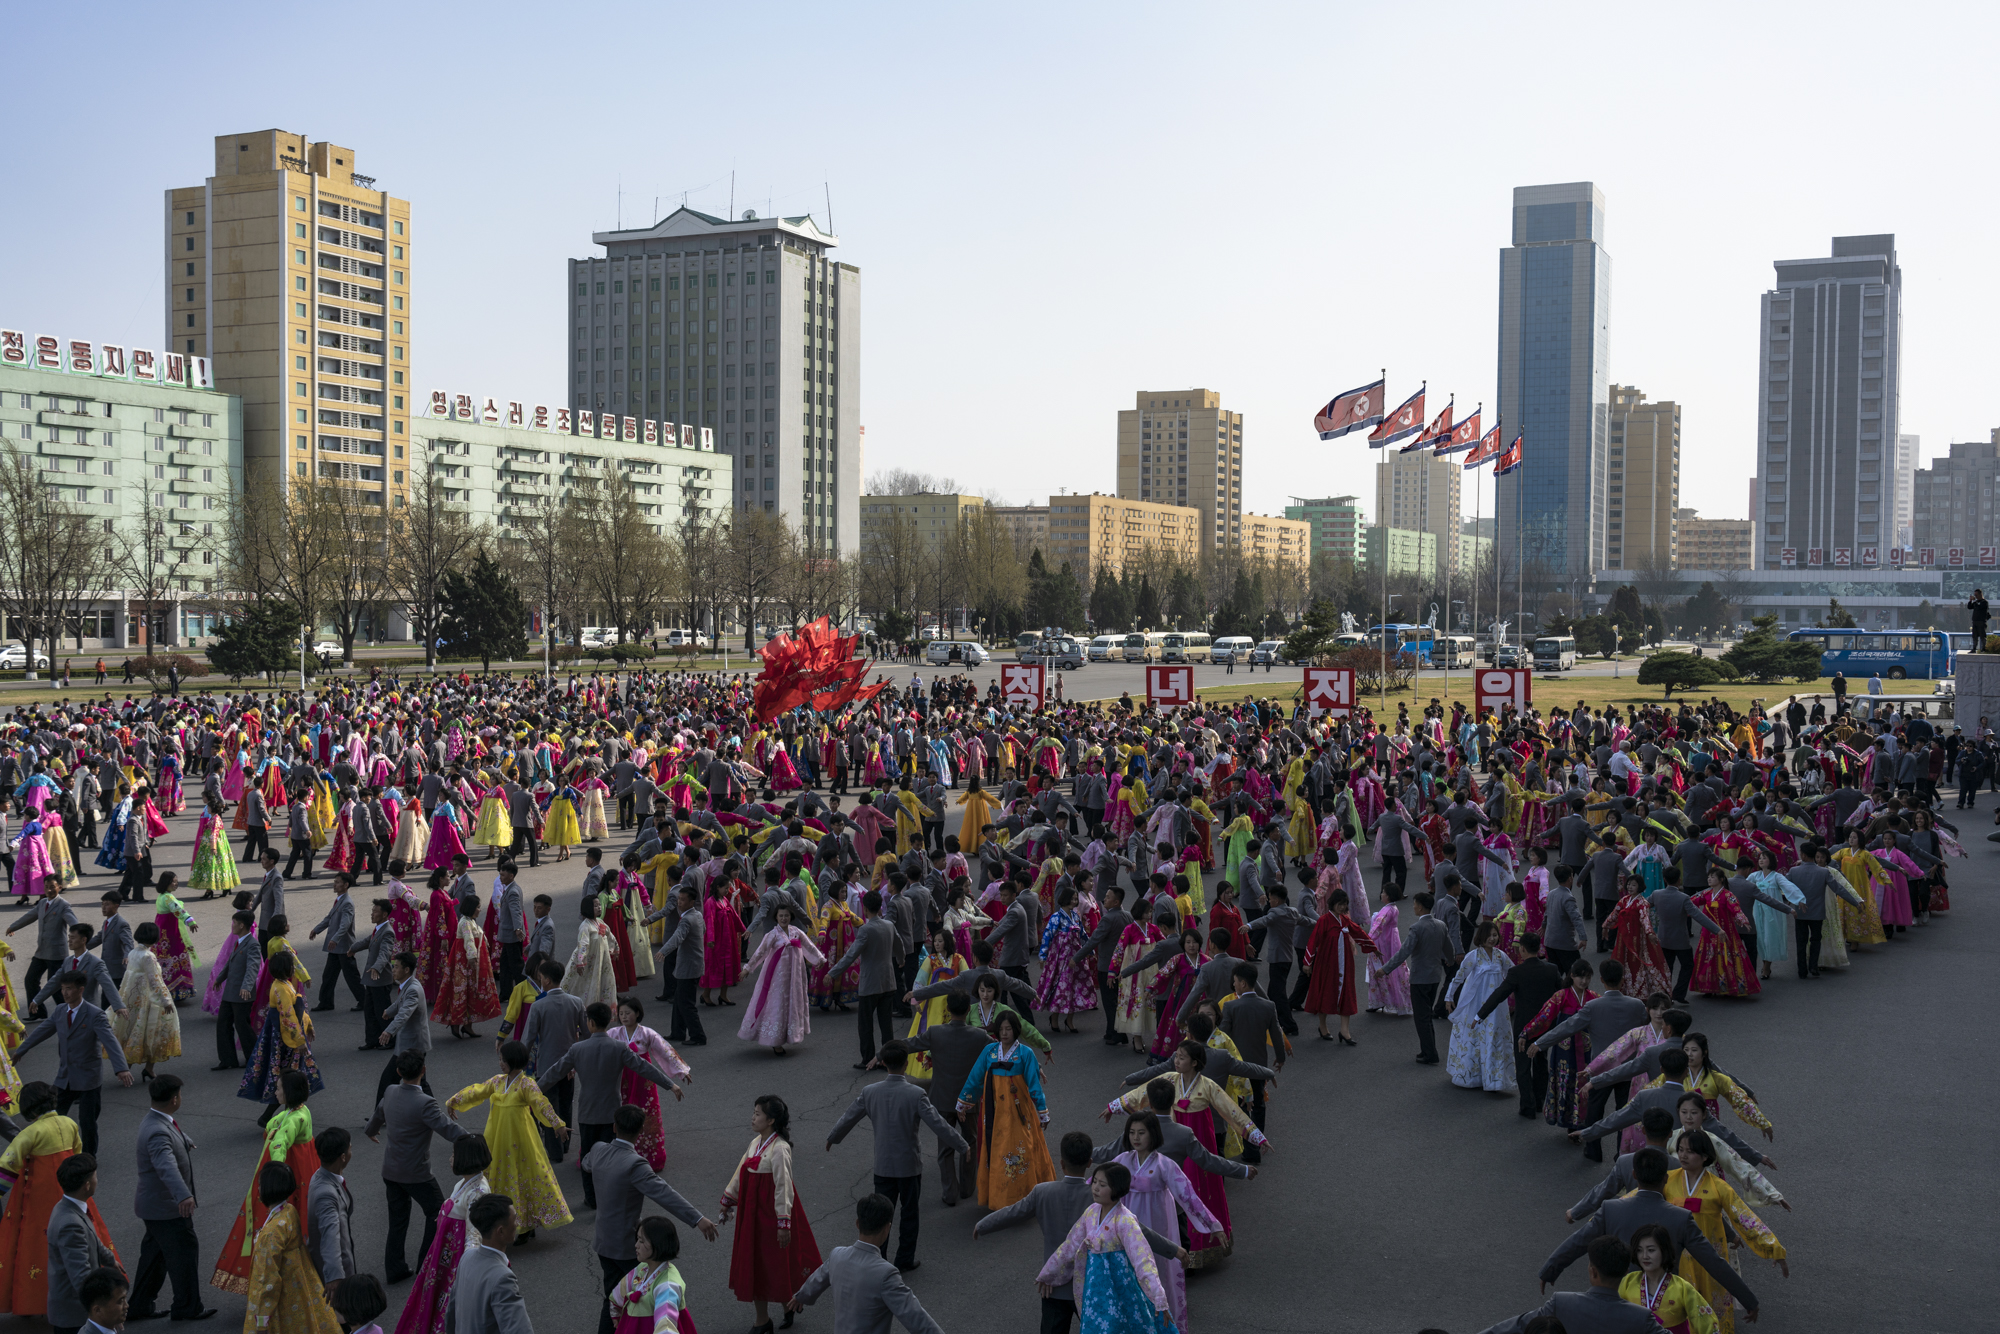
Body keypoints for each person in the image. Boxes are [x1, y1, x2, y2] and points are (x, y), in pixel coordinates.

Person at [972, 1131, 1181, 1334]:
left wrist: (983, 1225)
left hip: (1054, 1284)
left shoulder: (1043, 1192)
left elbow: (1012, 1213)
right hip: (1095, 1288)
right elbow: (1141, 1235)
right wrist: (1174, 1250)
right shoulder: (1101, 1202)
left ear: (1061, 1162)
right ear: (1090, 1162)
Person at [826, 1040, 969, 1273]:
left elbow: (850, 1116)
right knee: (910, 1214)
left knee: (882, 1215)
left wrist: (833, 1137)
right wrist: (962, 1145)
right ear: (906, 1063)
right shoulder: (916, 1094)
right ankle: (905, 1258)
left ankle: (878, 1259)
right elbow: (939, 1125)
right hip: (909, 1166)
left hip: (883, 1166)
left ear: (883, 1062)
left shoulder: (870, 1092)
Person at [582, 1105, 716, 1334]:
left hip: (603, 1241)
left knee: (613, 1296)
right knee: (637, 1300)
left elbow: (586, 1163)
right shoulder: (635, 1164)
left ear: (614, 1127)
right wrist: (697, 1218)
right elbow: (665, 1194)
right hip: (628, 1246)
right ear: (641, 1131)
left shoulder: (597, 1150)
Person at [534, 1003, 681, 1210]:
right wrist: (670, 1084)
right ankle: (608, 1196)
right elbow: (645, 1068)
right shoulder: (619, 1047)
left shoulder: (577, 1049)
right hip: (612, 1113)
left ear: (591, 1023)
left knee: (588, 1156)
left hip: (587, 1113)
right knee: (611, 1159)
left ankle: (591, 1199)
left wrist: (530, 1092)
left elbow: (553, 1073)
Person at [1102, 1112, 1220, 1331]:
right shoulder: (1121, 1161)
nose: (1136, 1138)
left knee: (1158, 1273)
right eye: (1131, 1133)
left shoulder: (1165, 1165)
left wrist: (1213, 1224)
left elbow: (1188, 1196)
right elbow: (1098, 1184)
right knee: (1130, 1273)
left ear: (1153, 1134)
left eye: (1141, 1133)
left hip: (1157, 1227)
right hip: (1127, 1227)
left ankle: (1161, 1324)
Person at [444, 1041, 572, 1242]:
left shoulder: (527, 1084)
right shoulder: (497, 1082)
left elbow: (541, 1105)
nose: (500, 1063)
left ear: (513, 1061)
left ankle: (525, 1225)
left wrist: (558, 1124)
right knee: (504, 1180)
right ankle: (515, 1224)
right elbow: (477, 1091)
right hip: (496, 1140)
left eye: (503, 1060)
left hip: (521, 1141)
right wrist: (455, 1100)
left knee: (523, 1179)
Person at [1664, 1130, 1787, 1333]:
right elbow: (1640, 1201)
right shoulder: (1667, 1180)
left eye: (1690, 1151)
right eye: (1680, 1150)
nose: (1683, 1155)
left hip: (1709, 1257)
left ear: (1705, 1156)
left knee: (1712, 1312)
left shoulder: (1719, 1187)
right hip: (1675, 1258)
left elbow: (1746, 1219)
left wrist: (1774, 1248)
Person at [1034, 1161, 1177, 1334]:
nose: (1095, 1188)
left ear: (1117, 1189)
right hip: (1095, 1290)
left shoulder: (1126, 1221)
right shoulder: (1091, 1212)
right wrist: (1049, 1274)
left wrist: (1158, 1297)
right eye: (1094, 1182)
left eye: (1102, 1185)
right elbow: (1070, 1245)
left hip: (1121, 1290)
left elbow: (1143, 1261)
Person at [719, 1095, 822, 1334]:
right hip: (752, 1215)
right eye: (754, 1112)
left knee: (779, 1263)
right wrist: (728, 1200)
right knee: (757, 1264)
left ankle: (789, 1302)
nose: (753, 1117)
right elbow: (740, 1171)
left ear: (771, 1120)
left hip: (771, 1216)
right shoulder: (755, 1142)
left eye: (757, 1114)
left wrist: (783, 1223)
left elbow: (784, 1186)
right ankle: (762, 1319)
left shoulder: (780, 1149)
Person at [212, 1070, 321, 1295]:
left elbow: (279, 1145)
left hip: (292, 1177)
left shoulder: (293, 1119)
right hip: (305, 1173)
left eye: (279, 1088)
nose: (276, 1091)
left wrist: (274, 1173)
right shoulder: (301, 1111)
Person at [365, 1051, 469, 1283]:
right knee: (438, 1212)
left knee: (398, 1220)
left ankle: (395, 1268)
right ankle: (426, 1263)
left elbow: (377, 1116)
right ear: (423, 1070)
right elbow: (448, 1129)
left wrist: (371, 1131)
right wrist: (473, 1141)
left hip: (391, 1170)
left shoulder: (390, 1091)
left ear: (399, 1072)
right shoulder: (425, 1103)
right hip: (417, 1172)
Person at [15, 971, 134, 1156]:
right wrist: (21, 1051)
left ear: (81, 989)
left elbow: (110, 1041)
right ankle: (57, 1152)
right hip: (65, 1077)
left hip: (88, 1079)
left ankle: (88, 1158)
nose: (64, 992)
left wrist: (122, 1069)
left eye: (69, 988)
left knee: (87, 1123)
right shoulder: (60, 1010)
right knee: (53, 1117)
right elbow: (41, 1032)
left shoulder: (94, 1014)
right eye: (62, 988)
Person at [786, 1194, 943, 1334]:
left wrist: (801, 1296)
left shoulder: (837, 1255)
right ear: (887, 1228)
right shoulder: (886, 1274)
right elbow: (915, 1317)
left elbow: (818, 1278)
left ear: (857, 1223)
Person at [128, 1075, 215, 1322]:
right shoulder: (157, 1131)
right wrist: (184, 1195)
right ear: (174, 1098)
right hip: (167, 1209)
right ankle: (187, 1307)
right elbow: (165, 1166)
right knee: (185, 1255)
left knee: (154, 1258)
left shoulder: (156, 1120)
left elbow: (169, 1135)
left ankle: (140, 1305)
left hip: (154, 1208)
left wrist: (183, 1140)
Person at [954, 1011, 1056, 1209]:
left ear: (1015, 1030)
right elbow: (975, 1078)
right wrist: (963, 1103)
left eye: (1008, 1029)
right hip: (993, 1112)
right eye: (1001, 1029)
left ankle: (1025, 1197)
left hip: (1019, 1112)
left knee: (1022, 1147)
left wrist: (1042, 1112)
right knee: (997, 1149)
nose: (1004, 1033)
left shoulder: (1026, 1053)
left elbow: (1034, 1086)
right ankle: (1001, 1197)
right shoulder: (989, 1052)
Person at [393, 1135, 491, 1334]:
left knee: (446, 1307)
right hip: (443, 1257)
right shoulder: (467, 1183)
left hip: (453, 1264)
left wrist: (467, 1271)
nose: (451, 1158)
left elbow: (474, 1235)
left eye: (454, 1154)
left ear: (465, 1158)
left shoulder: (477, 1192)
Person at [1475, 1235, 1665, 1334]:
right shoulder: (1641, 1318)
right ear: (1625, 1272)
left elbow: (1517, 1326)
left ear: (1592, 1271)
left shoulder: (1562, 1303)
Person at [243, 1162, 340, 1334]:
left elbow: (267, 1279)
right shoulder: (289, 1210)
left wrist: (262, 1320)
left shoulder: (271, 1232)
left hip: (284, 1300)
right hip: (300, 1289)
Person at [822, 888, 901, 1070]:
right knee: (886, 1024)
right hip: (888, 980)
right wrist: (902, 960)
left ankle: (867, 1058)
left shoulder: (865, 929)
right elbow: (900, 946)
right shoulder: (889, 925)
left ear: (865, 909)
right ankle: (887, 1058)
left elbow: (850, 956)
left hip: (870, 983)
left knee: (865, 1025)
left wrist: (831, 973)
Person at [239, 951, 322, 1120]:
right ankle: (270, 1117)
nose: (293, 969)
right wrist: (300, 1040)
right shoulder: (281, 988)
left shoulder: (283, 985)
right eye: (291, 966)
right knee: (289, 1076)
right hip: (287, 1039)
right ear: (285, 969)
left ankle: (283, 1114)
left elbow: (297, 1012)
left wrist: (309, 1026)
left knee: (289, 1075)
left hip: (288, 1036)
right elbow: (289, 1016)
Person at [442, 1193, 532, 1334]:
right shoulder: (502, 1278)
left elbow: (451, 1312)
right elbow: (518, 1329)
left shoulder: (467, 1258)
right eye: (514, 1219)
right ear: (500, 1231)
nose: (517, 1223)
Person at [47, 1154, 118, 1334]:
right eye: (94, 1176)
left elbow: (92, 1238)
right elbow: (82, 1279)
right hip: (75, 1318)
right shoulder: (70, 1224)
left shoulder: (68, 1207)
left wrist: (110, 1260)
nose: (97, 1180)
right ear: (87, 1185)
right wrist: (107, 1315)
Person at [1302, 888, 1381, 1045]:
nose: (1342, 907)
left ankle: (1345, 1031)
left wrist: (1373, 948)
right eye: (1340, 904)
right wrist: (1307, 962)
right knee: (1325, 992)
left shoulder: (1344, 921)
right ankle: (1323, 1026)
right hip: (1327, 964)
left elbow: (1358, 932)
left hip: (1345, 964)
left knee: (1347, 994)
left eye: (1344, 904)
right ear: (1333, 904)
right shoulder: (1324, 920)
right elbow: (1313, 940)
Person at [1444, 921, 1517, 1093]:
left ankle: (1495, 1080)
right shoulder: (1474, 956)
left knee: (1494, 1036)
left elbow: (1513, 974)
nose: (1492, 939)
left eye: (1494, 935)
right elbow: (1459, 977)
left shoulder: (1501, 956)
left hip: (1497, 1005)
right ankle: (1472, 1075)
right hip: (1476, 1003)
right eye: (1489, 935)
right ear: (1481, 937)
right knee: (1475, 1035)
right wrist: (1449, 996)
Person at [1620, 1222, 1720, 1333]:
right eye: (1639, 1250)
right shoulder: (1627, 1282)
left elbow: (1707, 1325)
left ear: (1664, 1250)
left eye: (1651, 1250)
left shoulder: (1682, 1288)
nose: (1644, 1256)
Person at [111, 923, 180, 1078]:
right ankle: (147, 1068)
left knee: (134, 1031)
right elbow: (155, 980)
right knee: (153, 1033)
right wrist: (166, 1001)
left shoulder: (133, 953)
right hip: (149, 1000)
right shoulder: (148, 956)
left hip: (133, 998)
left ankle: (127, 1068)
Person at [432, 899, 502, 1041]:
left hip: (470, 964)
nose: (479, 909)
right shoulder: (465, 922)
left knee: (469, 993)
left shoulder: (470, 921)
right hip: (465, 965)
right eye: (478, 907)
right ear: (471, 908)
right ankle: (458, 1023)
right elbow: (469, 940)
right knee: (462, 992)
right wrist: (472, 957)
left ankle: (466, 1024)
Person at [608, 1216, 692, 1334]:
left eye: (642, 1241)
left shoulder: (667, 1284)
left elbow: (666, 1322)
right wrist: (616, 1311)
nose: (636, 1245)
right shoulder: (643, 1268)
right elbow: (621, 1290)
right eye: (637, 1239)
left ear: (658, 1244)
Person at [376, 952, 434, 1107]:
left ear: (406, 970)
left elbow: (404, 1014)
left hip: (412, 1045)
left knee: (390, 1079)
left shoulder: (413, 989)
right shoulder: (408, 985)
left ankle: (380, 1115)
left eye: (396, 967)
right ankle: (432, 1111)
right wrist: (389, 1011)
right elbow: (400, 1003)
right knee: (418, 1081)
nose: (393, 970)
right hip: (410, 1044)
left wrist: (388, 1031)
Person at [303, 1127, 355, 1287]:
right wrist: (334, 1278)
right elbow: (330, 1237)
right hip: (338, 1277)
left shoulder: (320, 1176)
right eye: (350, 1148)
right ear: (343, 1157)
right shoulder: (326, 1194)